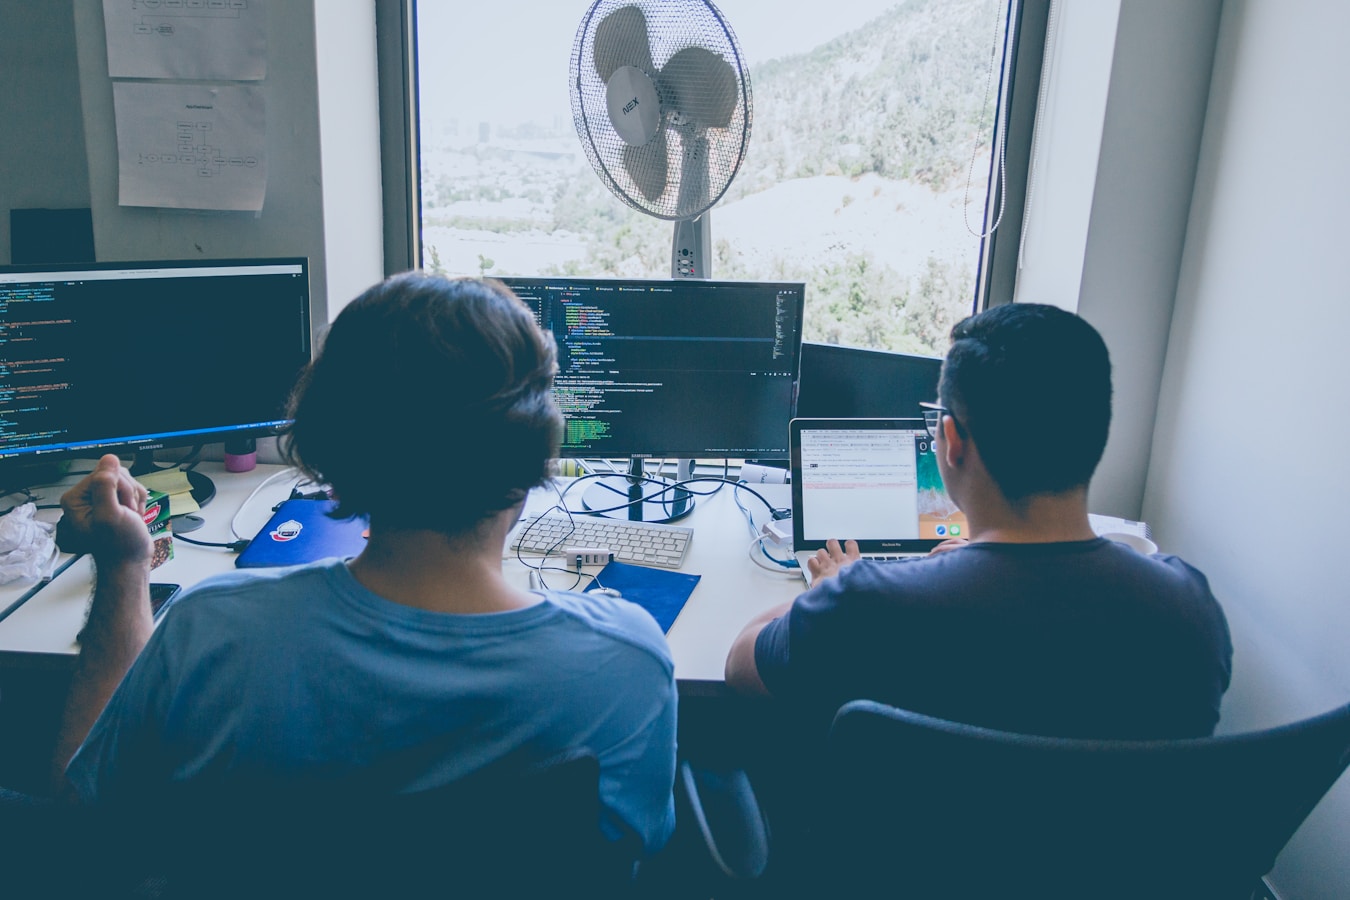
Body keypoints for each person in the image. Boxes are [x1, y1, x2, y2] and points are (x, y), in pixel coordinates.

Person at [52, 272, 678, 853]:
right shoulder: (626, 660)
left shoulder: (209, 631)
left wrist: (125, 565)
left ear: (330, 451)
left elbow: (87, 810)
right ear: (534, 456)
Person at [725, 303, 1232, 740]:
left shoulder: (863, 604)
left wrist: (825, 589)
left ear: (953, 441)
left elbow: (740, 664)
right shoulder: (1191, 611)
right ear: (1097, 433)